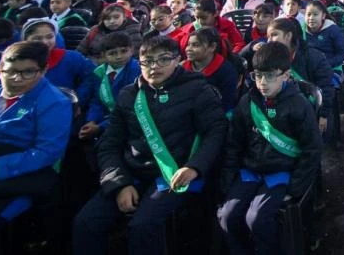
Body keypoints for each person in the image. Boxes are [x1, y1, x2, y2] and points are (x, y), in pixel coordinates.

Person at [72, 36, 228, 255]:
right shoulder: (129, 95)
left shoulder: (198, 90)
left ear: (177, 60)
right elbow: (110, 144)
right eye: (148, 61)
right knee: (85, 222)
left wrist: (194, 166)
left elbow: (216, 132)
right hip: (132, 172)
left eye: (163, 59)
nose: (155, 67)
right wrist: (118, 184)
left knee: (144, 226)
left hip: (174, 173)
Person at [0, 41, 72, 254]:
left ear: (43, 70)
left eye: (28, 72)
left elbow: (46, 153)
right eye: (10, 72)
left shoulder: (53, 102)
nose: (17, 79)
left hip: (20, 179)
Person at [217, 43, 322, 255]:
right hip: (251, 172)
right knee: (226, 216)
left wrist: (295, 188)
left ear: (286, 75)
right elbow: (234, 144)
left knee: (256, 218)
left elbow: (312, 149)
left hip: (282, 173)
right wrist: (227, 180)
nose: (263, 83)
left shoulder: (298, 105)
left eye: (270, 76)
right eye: (258, 76)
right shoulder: (247, 102)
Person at [79, 32, 139, 141]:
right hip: (105, 118)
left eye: (124, 51)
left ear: (132, 50)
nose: (119, 56)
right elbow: (97, 100)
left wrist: (100, 127)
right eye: (113, 53)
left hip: (129, 120)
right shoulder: (99, 72)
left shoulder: (137, 70)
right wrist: (91, 120)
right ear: (103, 55)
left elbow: (130, 106)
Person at [183, 27, 239, 113]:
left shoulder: (226, 71)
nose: (188, 49)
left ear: (212, 47)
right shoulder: (182, 68)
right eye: (188, 44)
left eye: (195, 45)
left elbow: (227, 103)